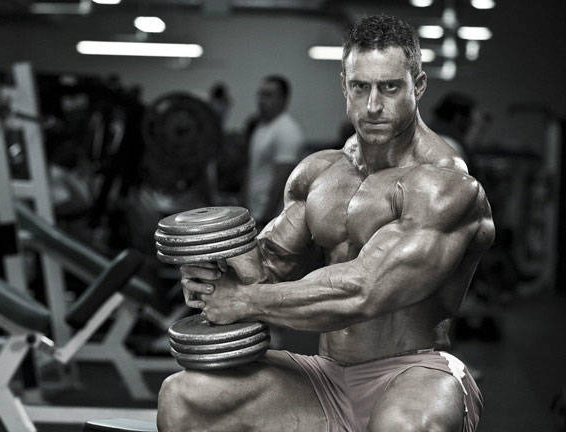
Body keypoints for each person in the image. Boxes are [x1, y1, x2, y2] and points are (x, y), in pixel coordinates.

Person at [158, 14, 494, 432]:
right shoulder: (319, 174)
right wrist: (213, 272)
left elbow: (363, 291)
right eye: (360, 87)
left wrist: (242, 301)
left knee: (404, 427)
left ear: (418, 86)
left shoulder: (444, 183)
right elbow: (266, 268)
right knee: (183, 396)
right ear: (344, 86)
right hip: (327, 376)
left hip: (415, 373)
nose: (373, 105)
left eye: (390, 87)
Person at [245, 75, 304, 228]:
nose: (261, 100)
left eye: (268, 95)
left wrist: (266, 220)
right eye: (260, 94)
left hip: (272, 219)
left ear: (284, 99)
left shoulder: (287, 130)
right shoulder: (262, 127)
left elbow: (282, 179)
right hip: (254, 214)